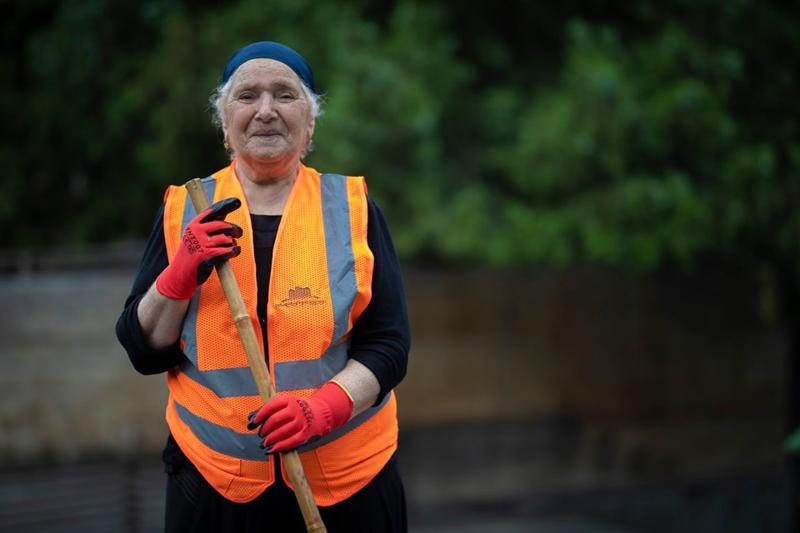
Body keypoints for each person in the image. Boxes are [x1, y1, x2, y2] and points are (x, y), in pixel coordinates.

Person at [116, 41, 410, 532]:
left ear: (310, 123)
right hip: (214, 489)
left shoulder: (353, 207)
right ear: (225, 123)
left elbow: (389, 345)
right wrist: (176, 277)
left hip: (348, 487)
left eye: (285, 95)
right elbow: (144, 351)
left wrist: (324, 408)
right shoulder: (184, 209)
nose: (266, 110)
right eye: (247, 96)